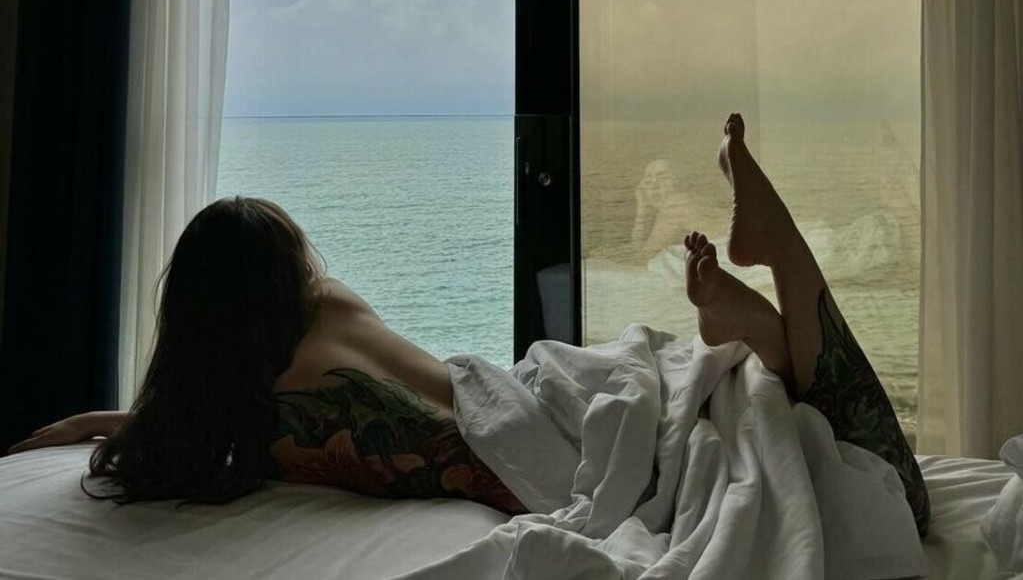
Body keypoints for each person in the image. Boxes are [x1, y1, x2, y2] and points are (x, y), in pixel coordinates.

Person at [8, 113, 929, 535]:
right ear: (284, 277)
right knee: (862, 466)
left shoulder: (271, 415)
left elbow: (199, 421)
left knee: (847, 467)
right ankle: (778, 277)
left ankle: (763, 307)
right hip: (536, 394)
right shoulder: (332, 308)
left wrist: (108, 419)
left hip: (529, 440)